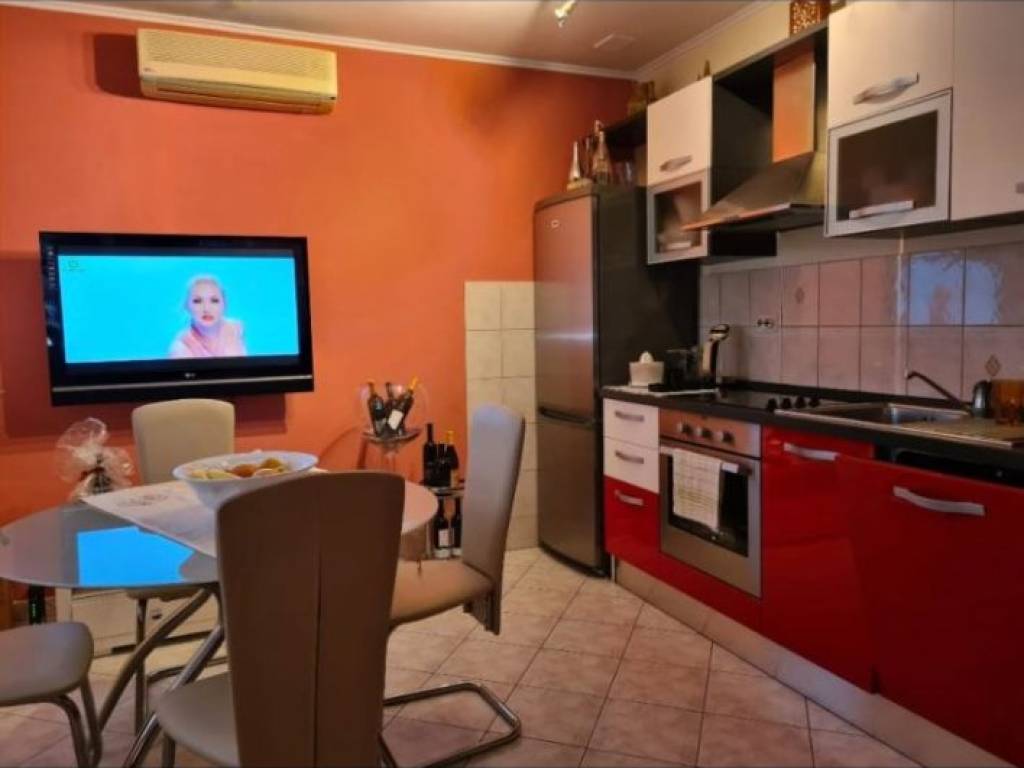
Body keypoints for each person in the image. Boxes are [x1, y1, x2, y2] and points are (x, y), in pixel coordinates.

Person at [169, 275, 247, 358]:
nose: (207, 309)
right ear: (187, 306)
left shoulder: (236, 328)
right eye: (197, 301)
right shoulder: (181, 348)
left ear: (224, 304)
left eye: (214, 300)